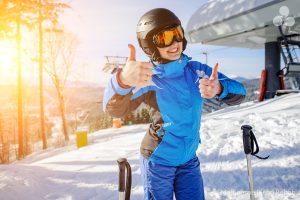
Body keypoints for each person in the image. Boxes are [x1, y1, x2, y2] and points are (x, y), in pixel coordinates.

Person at [103, 8, 246, 200]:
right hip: (158, 162)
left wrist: (220, 88)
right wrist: (123, 80)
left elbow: (240, 92)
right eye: (165, 38)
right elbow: (113, 109)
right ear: (148, 45)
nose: (174, 43)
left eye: (177, 34)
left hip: (188, 160)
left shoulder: (196, 71)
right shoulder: (148, 78)